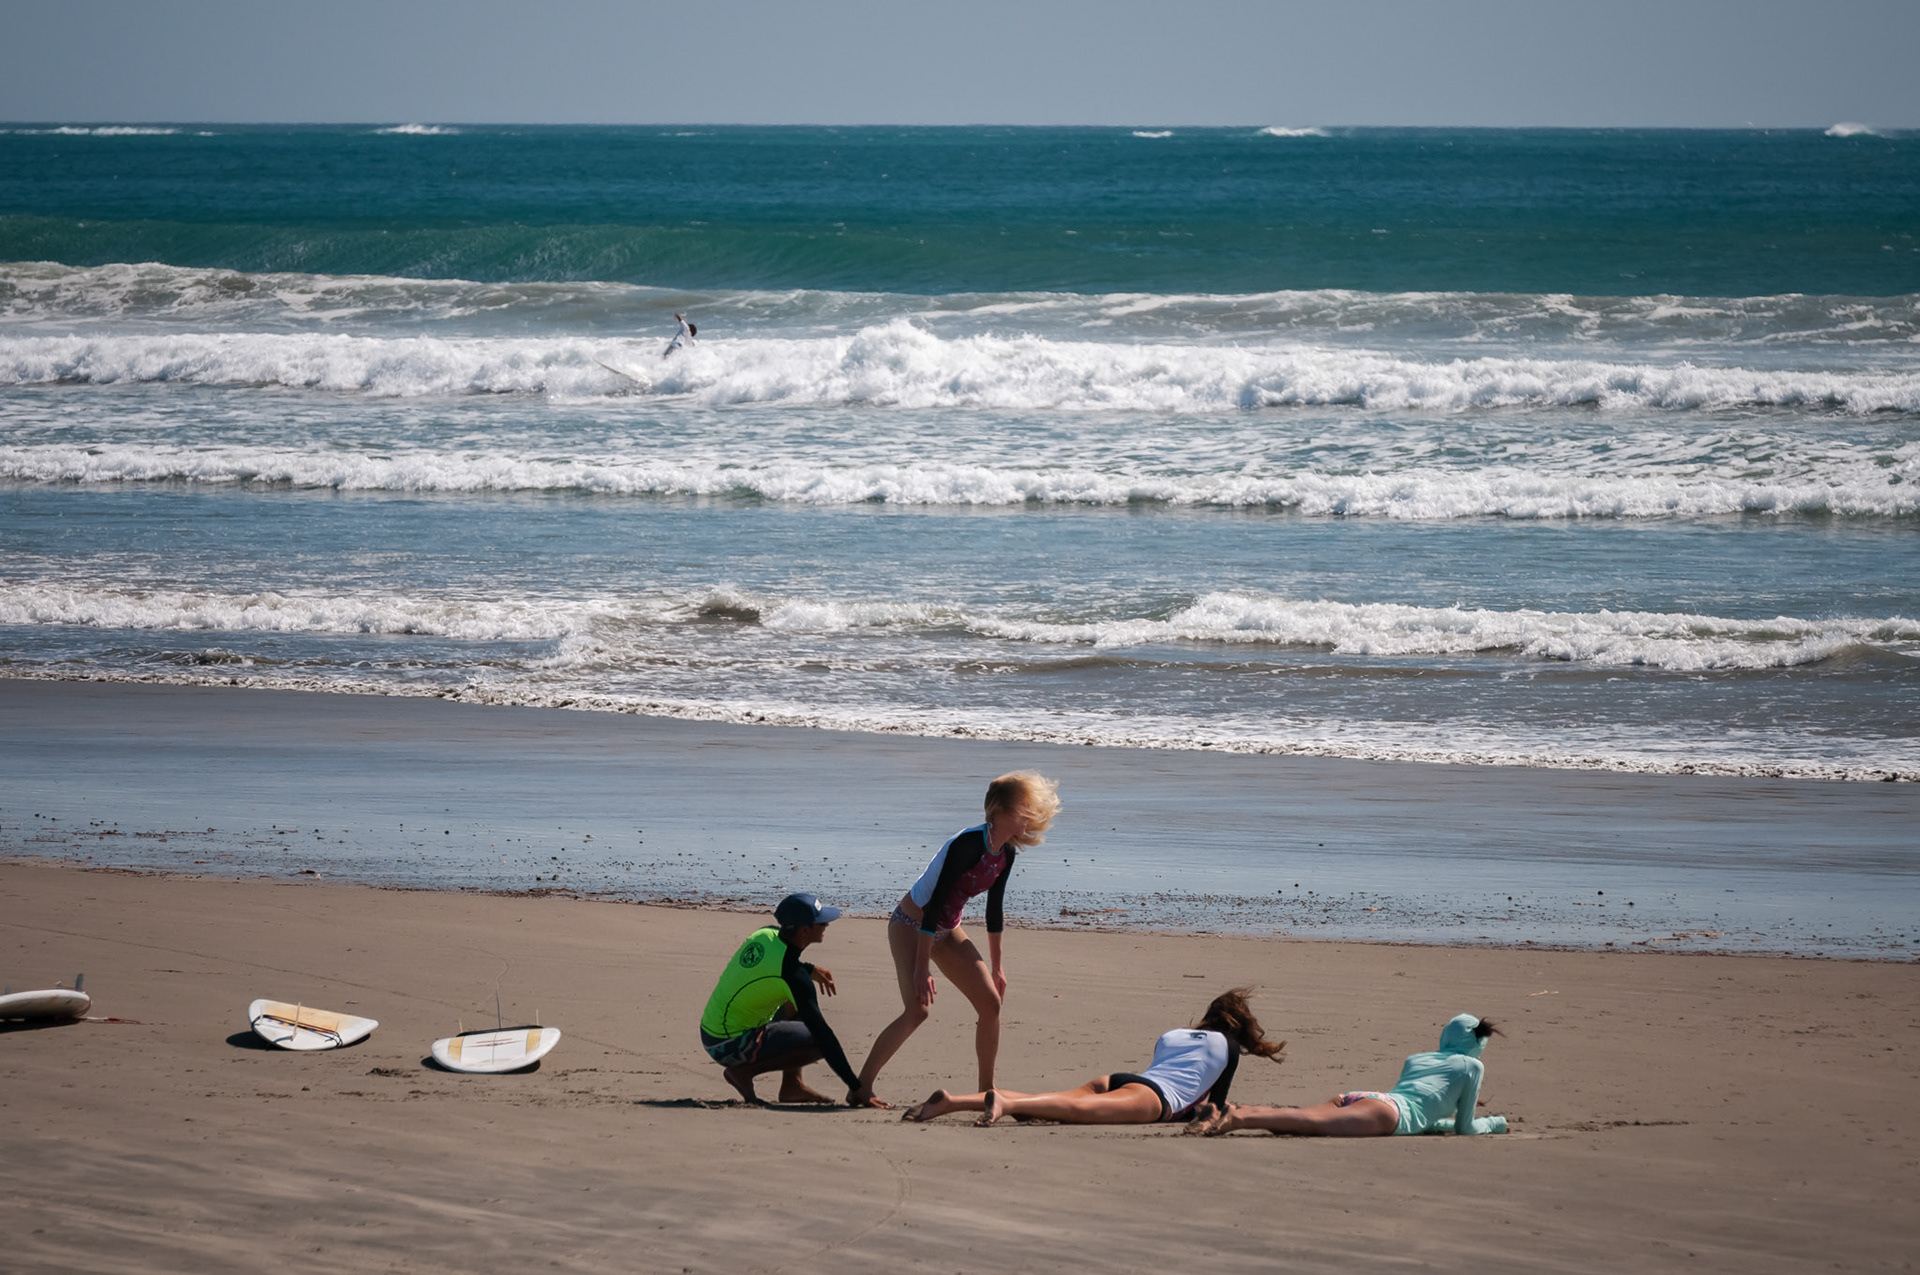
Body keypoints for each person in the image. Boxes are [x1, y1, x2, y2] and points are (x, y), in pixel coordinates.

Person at [850, 772, 1060, 1107]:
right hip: (910, 924)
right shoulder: (968, 845)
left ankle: (986, 1091)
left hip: (947, 931)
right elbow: (932, 908)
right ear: (1000, 811)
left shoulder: (1005, 854)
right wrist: (922, 968)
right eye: (1024, 808)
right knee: (917, 1010)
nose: (1030, 816)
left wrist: (998, 968)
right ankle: (861, 1087)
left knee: (991, 1003)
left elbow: (994, 912)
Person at [903, 987, 1284, 1126]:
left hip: (1121, 1080)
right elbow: (1212, 1107)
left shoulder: (1174, 1035)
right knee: (1066, 1110)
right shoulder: (1228, 1048)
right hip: (1153, 1100)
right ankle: (996, 1103)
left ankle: (952, 1103)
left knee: (1057, 1100)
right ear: (1237, 1027)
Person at [698, 892, 882, 1107]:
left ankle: (792, 1086)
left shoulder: (765, 934)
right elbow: (824, 1035)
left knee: (795, 1003)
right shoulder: (792, 976)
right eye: (821, 923)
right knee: (819, 1041)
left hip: (711, 1030)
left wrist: (810, 969)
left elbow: (771, 966)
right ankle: (742, 1071)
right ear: (804, 930)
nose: (826, 926)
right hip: (727, 1044)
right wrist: (857, 1087)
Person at [1190, 1013, 1508, 1137]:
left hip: (1371, 1099)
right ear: (1477, 1044)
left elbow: (1428, 1114)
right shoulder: (1471, 1067)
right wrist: (1494, 1122)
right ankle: (1237, 1119)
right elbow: (1466, 1127)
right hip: (1389, 1114)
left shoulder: (1418, 1059)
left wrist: (1442, 1124)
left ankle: (1235, 1110)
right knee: (1304, 1122)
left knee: (1300, 1118)